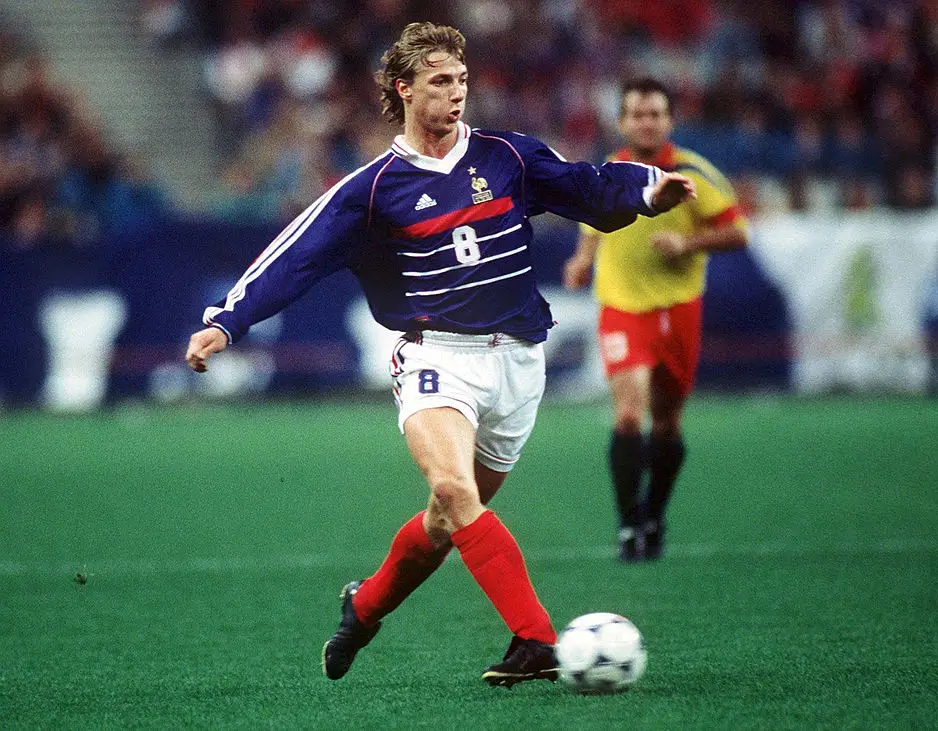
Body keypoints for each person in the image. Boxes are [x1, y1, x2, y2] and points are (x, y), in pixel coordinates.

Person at [185, 23, 695, 687]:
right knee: (454, 491)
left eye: (460, 80)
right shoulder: (373, 188)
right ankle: (536, 638)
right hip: (435, 357)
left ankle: (363, 606)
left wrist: (648, 191)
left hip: (518, 360)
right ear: (403, 89)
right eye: (439, 82)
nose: (457, 94)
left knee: (443, 520)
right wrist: (228, 321)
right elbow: (298, 253)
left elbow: (586, 186)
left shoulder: (507, 156)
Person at [563, 78, 749, 562]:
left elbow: (737, 232)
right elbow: (592, 224)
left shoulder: (693, 172)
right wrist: (583, 260)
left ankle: (654, 514)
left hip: (679, 310)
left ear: (669, 121)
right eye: (637, 115)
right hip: (623, 308)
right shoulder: (608, 173)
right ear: (622, 122)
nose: (646, 122)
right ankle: (627, 523)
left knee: (666, 424)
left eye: (655, 114)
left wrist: (688, 244)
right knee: (628, 413)